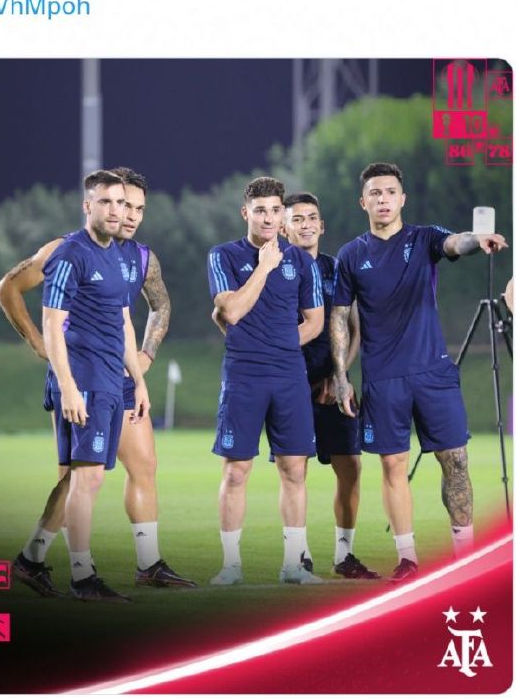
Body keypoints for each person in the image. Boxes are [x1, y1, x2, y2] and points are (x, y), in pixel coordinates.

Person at [0, 167, 195, 595]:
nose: (129, 215)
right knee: (78, 476)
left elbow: (152, 309)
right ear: (97, 204)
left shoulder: (137, 257)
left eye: (136, 207)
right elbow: (8, 289)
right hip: (81, 372)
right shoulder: (66, 250)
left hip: (118, 372)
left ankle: (148, 563)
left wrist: (142, 363)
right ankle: (57, 566)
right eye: (120, 204)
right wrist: (41, 347)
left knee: (142, 465)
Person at [330, 162, 508, 584]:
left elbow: (454, 243)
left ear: (402, 199)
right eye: (375, 193)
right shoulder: (351, 255)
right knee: (393, 465)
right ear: (364, 202)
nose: (383, 199)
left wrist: (476, 239)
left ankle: (463, 558)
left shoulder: (423, 238)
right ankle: (408, 560)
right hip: (383, 378)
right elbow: (339, 317)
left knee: (456, 462)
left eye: (390, 191)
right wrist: (340, 374)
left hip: (433, 373)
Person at [35, 168, 151, 602]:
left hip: (109, 379)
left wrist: (136, 381)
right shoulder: (70, 253)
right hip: (81, 377)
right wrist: (66, 385)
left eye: (121, 203)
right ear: (88, 205)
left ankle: (31, 558)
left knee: (84, 478)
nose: (116, 210)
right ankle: (82, 577)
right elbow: (50, 322)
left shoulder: (120, 256)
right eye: (106, 202)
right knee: (87, 478)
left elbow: (123, 322)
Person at [207, 177, 324, 586]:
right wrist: (264, 267)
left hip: (289, 374)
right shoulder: (222, 256)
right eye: (261, 210)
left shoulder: (303, 262)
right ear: (246, 214)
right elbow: (233, 311)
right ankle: (231, 566)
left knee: (294, 469)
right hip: (243, 375)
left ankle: (294, 564)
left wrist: (273, 343)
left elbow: (315, 322)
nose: (270, 217)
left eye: (276, 210)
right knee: (236, 471)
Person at [282, 192, 379, 580]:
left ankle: (344, 556)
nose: (306, 224)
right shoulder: (273, 269)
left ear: (322, 225)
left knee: (351, 468)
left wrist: (339, 377)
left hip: (333, 387)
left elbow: (355, 329)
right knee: (294, 471)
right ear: (285, 226)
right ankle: (298, 555)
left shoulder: (337, 269)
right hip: (290, 388)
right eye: (297, 218)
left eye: (312, 218)